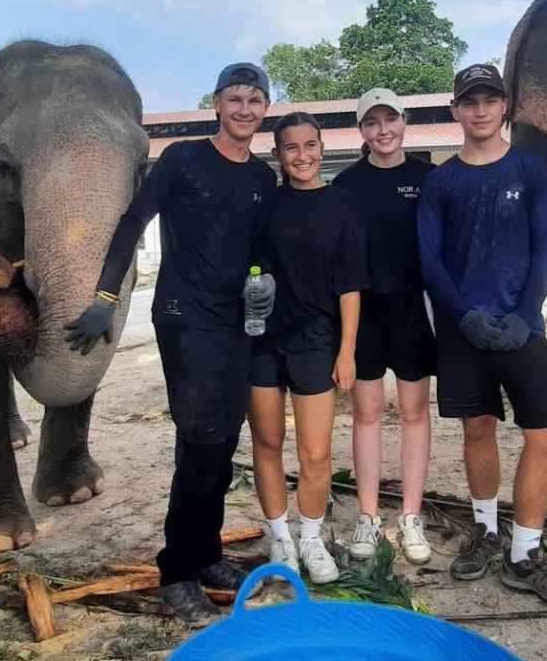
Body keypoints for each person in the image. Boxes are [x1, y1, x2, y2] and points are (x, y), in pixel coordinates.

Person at [64, 63, 277, 627]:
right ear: (216, 103)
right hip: (185, 317)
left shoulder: (263, 178)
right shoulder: (183, 159)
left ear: (265, 109)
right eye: (235, 98)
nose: (245, 108)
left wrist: (262, 280)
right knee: (201, 441)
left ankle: (205, 554)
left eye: (255, 99)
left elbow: (259, 248)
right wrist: (105, 295)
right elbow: (133, 220)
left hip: (236, 323)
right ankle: (177, 573)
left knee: (221, 443)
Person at [416, 63, 547, 609]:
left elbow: (544, 248)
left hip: (520, 325)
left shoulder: (532, 171)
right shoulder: (440, 181)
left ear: (505, 105)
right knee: (478, 427)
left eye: (490, 100)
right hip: (462, 328)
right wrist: (463, 317)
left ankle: (525, 552)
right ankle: (487, 530)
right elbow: (430, 259)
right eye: (470, 102)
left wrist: (525, 312)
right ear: (455, 111)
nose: (481, 110)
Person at [249, 111, 367, 584]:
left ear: (322, 147)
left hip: (316, 339)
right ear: (278, 154)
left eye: (310, 145)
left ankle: (312, 539)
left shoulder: (343, 205)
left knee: (315, 453)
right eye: (292, 147)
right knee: (267, 442)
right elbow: (249, 267)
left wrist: (347, 350)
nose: (302, 155)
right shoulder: (265, 204)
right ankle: (280, 538)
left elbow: (350, 285)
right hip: (261, 339)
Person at [332, 88, 435, 564]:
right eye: (372, 123)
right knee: (367, 414)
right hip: (364, 313)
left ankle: (411, 516)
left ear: (404, 121)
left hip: (413, 310)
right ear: (362, 131)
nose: (383, 130)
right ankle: (369, 516)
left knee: (415, 412)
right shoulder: (346, 184)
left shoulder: (428, 178)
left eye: (389, 119)